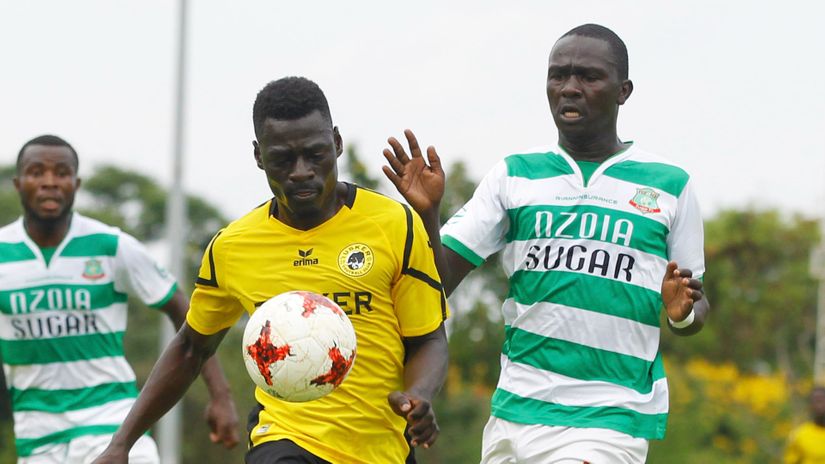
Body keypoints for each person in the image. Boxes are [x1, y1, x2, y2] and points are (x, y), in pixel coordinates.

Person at [383, 23, 710, 463]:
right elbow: (438, 281)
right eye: (558, 75)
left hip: (608, 419)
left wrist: (683, 313)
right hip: (514, 413)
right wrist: (428, 212)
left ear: (623, 90)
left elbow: (696, 306)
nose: (569, 88)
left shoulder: (670, 185)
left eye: (588, 77)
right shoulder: (515, 174)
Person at [93, 76, 449, 464]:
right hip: (283, 439)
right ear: (259, 155)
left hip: (383, 449)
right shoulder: (233, 247)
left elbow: (428, 338)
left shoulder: (394, 223)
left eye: (315, 154)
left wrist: (420, 396)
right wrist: (121, 444)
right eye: (283, 158)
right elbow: (191, 347)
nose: (300, 171)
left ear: (337, 143)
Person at [0, 135, 240, 463]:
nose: (49, 183)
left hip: (113, 424)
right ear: (18, 182)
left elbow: (187, 311)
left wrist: (220, 395)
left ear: (76, 182)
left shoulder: (111, 246)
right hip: (39, 439)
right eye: (36, 172)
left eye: (61, 173)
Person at [784, 386, 825, 463]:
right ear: (810, 406)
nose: (820, 405)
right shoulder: (799, 435)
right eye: (816, 401)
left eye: (822, 400)